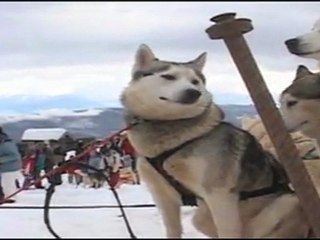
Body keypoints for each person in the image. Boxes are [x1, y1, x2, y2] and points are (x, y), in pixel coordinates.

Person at [0, 127, 22, 204]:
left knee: (7, 183)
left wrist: (1, 160)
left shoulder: (7, 144)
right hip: (3, 168)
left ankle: (10, 198)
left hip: (9, 168)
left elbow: (15, 156)